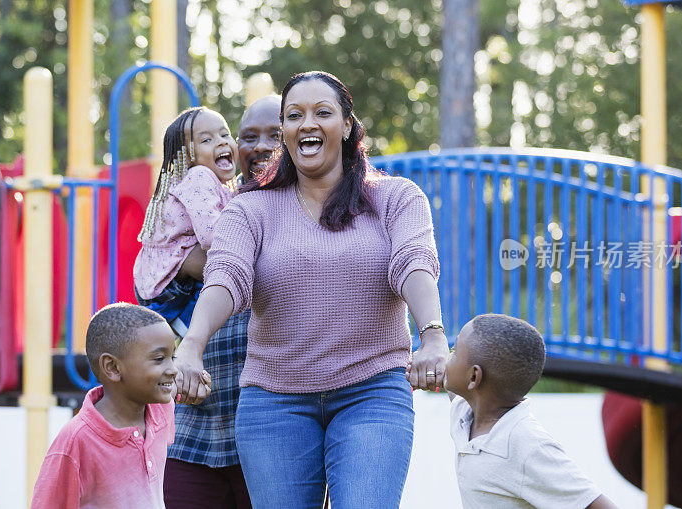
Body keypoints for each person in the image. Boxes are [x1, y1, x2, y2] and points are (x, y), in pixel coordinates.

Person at [174, 71, 449, 508]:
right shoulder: (250, 209)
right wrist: (191, 345)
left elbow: (414, 263)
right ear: (284, 131)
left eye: (322, 112)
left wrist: (432, 335)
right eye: (294, 115)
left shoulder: (396, 198)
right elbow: (226, 277)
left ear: (346, 126)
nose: (307, 124)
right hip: (275, 400)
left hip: (372, 390)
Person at [163, 98, 282, 509]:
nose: (261, 146)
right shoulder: (213, 205)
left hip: (271, 437)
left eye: (276, 134)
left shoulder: (306, 213)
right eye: (249, 136)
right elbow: (163, 268)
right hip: (195, 428)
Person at [444, 314, 617, 508]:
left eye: (454, 351)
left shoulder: (526, 444)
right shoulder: (465, 414)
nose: (448, 358)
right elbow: (450, 385)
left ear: (474, 376)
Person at [30, 303, 177, 508]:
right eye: (160, 359)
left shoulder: (161, 409)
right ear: (113, 367)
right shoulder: (76, 441)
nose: (173, 369)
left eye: (173, 357)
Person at [133, 106, 238, 338]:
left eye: (225, 134)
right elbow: (212, 235)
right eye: (207, 140)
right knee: (227, 264)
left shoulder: (218, 184)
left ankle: (185, 322)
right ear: (188, 156)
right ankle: (188, 322)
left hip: (161, 277)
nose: (221, 142)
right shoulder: (199, 176)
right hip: (166, 277)